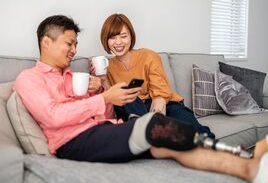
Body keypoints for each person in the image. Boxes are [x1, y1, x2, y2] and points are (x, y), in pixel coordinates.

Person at [14, 15, 267, 183]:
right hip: (73, 142)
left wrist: (101, 93)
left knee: (169, 141)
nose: (74, 50)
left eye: (76, 44)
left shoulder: (73, 78)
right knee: (152, 125)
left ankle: (245, 164)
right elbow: (53, 117)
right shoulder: (28, 78)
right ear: (47, 42)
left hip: (102, 130)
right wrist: (104, 97)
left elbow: (106, 115)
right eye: (69, 43)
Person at [97, 13, 214, 138]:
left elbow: (160, 91)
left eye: (123, 36)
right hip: (132, 110)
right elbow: (111, 102)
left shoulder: (148, 55)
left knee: (195, 133)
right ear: (106, 40)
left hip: (163, 104)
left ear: (131, 36)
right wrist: (102, 79)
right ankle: (145, 130)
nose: (118, 42)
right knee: (126, 93)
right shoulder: (107, 67)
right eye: (113, 38)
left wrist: (157, 115)